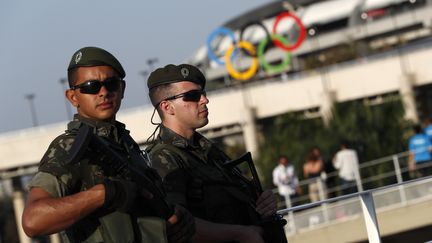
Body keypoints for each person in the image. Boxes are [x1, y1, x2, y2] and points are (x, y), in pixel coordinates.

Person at [22, 47, 195, 243]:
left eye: (111, 84)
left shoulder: (125, 145)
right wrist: (102, 194)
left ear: (122, 89)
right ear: (73, 97)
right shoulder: (71, 146)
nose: (103, 93)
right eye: (90, 87)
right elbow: (33, 220)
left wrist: (177, 218)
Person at [145, 64, 279, 243]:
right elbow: (177, 223)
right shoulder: (164, 158)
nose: (204, 100)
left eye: (203, 93)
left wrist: (262, 202)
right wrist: (240, 234)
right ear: (167, 107)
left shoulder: (209, 151)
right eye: (192, 96)